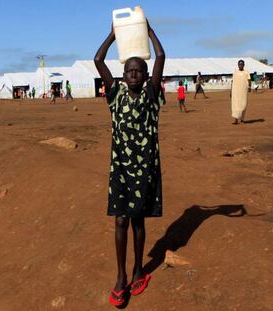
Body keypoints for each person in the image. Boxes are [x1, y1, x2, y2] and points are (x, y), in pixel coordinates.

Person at [94, 20, 165, 307]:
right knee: (120, 219)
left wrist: (147, 31)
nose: (134, 74)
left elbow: (160, 56)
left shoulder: (151, 95)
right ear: (123, 75)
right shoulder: (115, 95)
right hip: (120, 168)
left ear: (146, 76)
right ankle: (121, 276)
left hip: (145, 167)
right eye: (129, 71)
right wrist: (114, 34)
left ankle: (139, 269)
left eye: (139, 71)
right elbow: (98, 59)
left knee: (138, 221)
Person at [231, 60, 251, 125]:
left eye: (242, 64)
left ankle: (242, 119)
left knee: (243, 105)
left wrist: (249, 87)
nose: (240, 65)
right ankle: (236, 120)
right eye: (239, 64)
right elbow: (233, 82)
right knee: (236, 105)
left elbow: (249, 80)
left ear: (244, 65)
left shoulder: (246, 72)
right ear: (238, 65)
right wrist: (231, 91)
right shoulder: (235, 72)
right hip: (235, 91)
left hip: (243, 91)